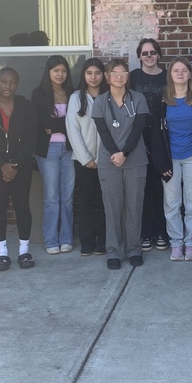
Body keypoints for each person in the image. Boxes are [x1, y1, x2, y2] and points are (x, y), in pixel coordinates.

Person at [0, 67, 38, 272]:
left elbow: (31, 140)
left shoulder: (26, 107)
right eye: (4, 81)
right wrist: (2, 165)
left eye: (12, 82)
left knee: (22, 207)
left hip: (21, 166)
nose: (8, 86)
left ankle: (24, 251)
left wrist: (15, 165)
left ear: (17, 83)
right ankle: (2, 254)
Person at [93, 58, 151, 269]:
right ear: (107, 77)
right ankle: (113, 251)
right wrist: (116, 153)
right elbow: (103, 131)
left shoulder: (138, 98)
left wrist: (124, 153)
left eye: (123, 72)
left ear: (128, 76)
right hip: (109, 162)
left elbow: (138, 129)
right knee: (112, 208)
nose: (119, 76)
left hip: (135, 161)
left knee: (134, 207)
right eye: (114, 73)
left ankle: (134, 249)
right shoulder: (100, 101)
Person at [150, 58, 192, 261]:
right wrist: (161, 164)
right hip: (169, 158)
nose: (180, 73)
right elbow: (155, 136)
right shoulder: (161, 100)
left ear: (190, 74)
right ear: (170, 75)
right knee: (172, 203)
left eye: (184, 70)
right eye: (176, 70)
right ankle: (176, 243)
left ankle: (191, 243)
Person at [32, 55, 76, 254]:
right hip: (48, 150)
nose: (60, 74)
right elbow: (43, 124)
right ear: (48, 72)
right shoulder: (39, 94)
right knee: (51, 197)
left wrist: (57, 126)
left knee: (67, 196)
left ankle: (66, 238)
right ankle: (51, 240)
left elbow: (74, 123)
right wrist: (64, 125)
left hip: (70, 150)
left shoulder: (72, 93)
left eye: (64, 70)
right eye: (56, 70)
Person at [66, 57, 108, 257]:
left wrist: (103, 158)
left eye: (97, 73)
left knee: (104, 202)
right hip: (83, 161)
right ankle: (87, 242)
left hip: (107, 160)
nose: (93, 77)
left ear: (103, 75)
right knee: (86, 201)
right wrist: (87, 159)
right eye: (89, 73)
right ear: (84, 75)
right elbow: (73, 131)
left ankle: (103, 241)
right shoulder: (76, 98)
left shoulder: (109, 95)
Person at [130, 38, 169, 251]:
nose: (149, 56)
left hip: (163, 139)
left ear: (159, 55)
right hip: (139, 138)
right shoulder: (133, 77)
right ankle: (146, 232)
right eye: (145, 53)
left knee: (163, 187)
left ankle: (162, 231)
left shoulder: (167, 76)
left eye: (153, 52)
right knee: (143, 189)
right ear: (139, 57)